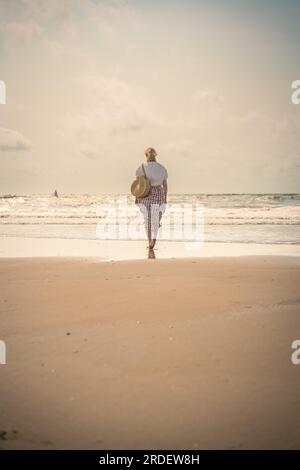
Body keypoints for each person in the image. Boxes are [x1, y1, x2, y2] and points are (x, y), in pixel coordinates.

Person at [135, 147, 168, 250]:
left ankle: (150, 241)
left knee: (148, 220)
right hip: (159, 193)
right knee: (156, 218)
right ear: (155, 156)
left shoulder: (141, 167)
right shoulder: (162, 168)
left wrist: (136, 197)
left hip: (146, 194)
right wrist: (165, 198)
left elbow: (138, 185)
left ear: (146, 155)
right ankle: (155, 232)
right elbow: (165, 185)